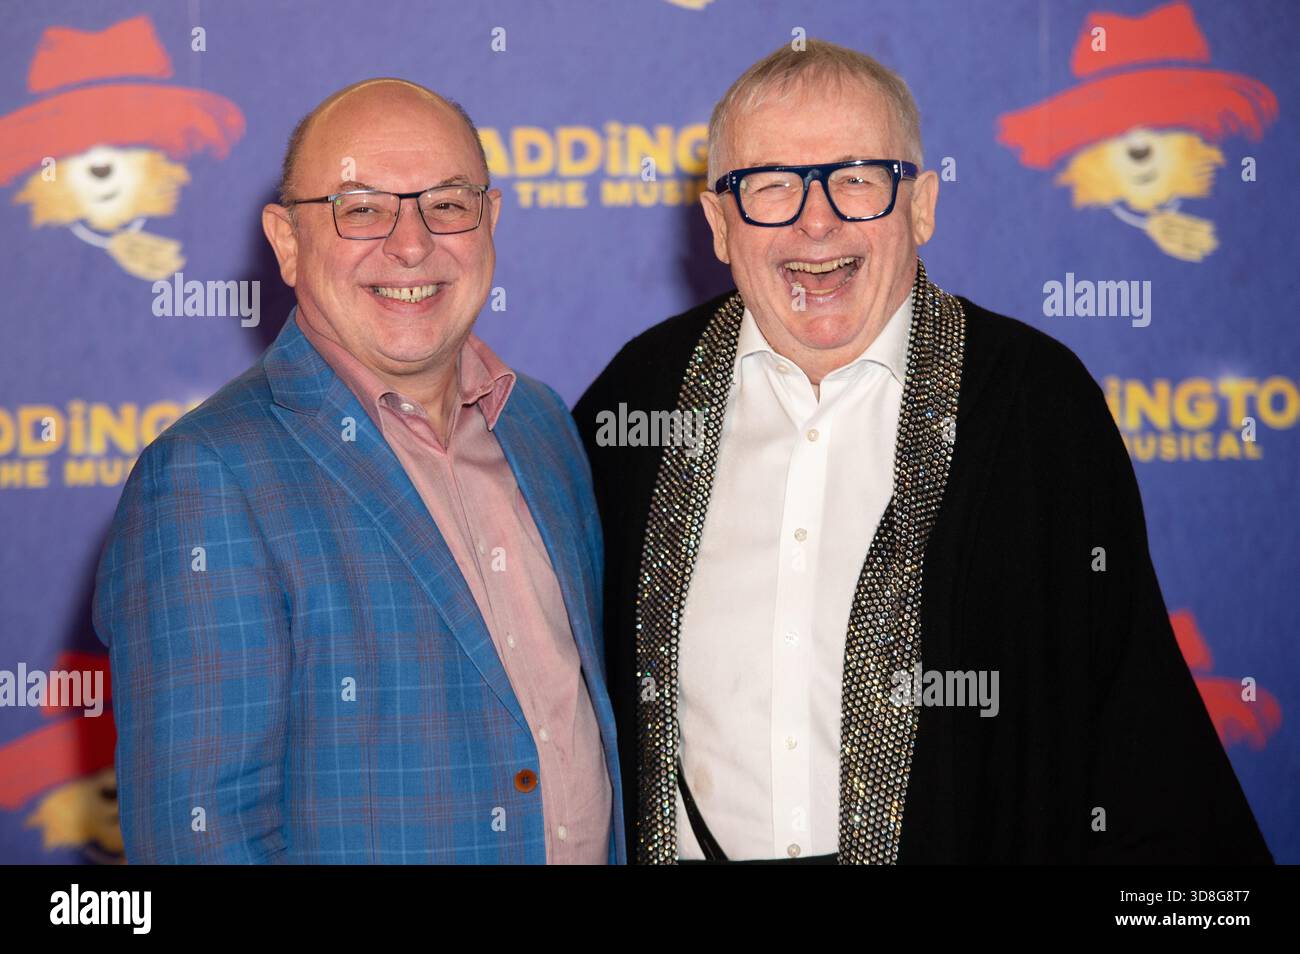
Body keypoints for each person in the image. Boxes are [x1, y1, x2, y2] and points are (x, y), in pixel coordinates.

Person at [574, 41, 1271, 864]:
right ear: (720, 224)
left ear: (923, 205)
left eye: (858, 178)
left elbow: (1131, 718)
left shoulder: (1037, 406)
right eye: (770, 186)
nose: (816, 220)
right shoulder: (638, 403)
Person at [94, 78, 623, 864]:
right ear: (285, 241)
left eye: (447, 203)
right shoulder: (205, 478)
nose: (411, 245)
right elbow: (201, 840)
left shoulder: (542, 426)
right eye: (362, 208)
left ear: (492, 221)